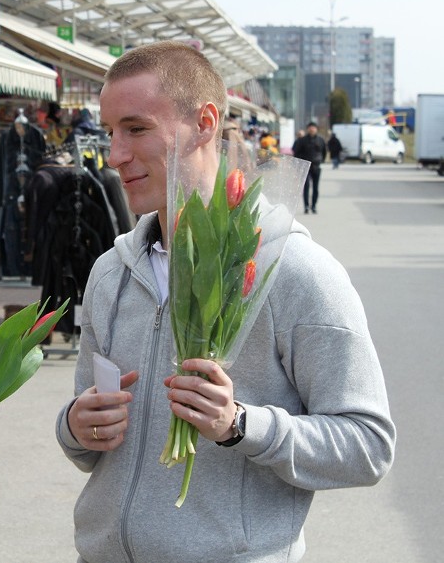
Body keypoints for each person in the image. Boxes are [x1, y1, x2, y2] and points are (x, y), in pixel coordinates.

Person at [55, 41, 394, 563]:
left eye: (137, 128)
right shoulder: (110, 272)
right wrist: (75, 425)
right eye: (110, 133)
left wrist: (242, 425)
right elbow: (87, 435)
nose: (115, 154)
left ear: (205, 123)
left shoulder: (295, 272)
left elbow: (367, 445)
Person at [293, 121, 327, 213]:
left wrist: (321, 160)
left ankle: (314, 205)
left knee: (316, 187)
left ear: (316, 129)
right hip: (305, 166)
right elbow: (296, 152)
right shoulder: (302, 140)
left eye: (314, 127)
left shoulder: (320, 140)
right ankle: (306, 206)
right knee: (306, 186)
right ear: (308, 129)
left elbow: (324, 152)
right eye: (310, 127)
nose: (312, 129)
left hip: (316, 166)